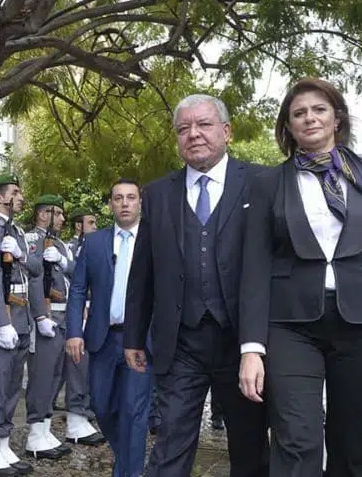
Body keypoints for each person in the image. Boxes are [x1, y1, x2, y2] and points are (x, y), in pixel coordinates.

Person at [237, 77, 362, 477]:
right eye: (299, 113)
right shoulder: (267, 184)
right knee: (296, 437)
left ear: (337, 118)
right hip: (290, 325)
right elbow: (255, 267)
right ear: (288, 126)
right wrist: (251, 347)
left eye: (319, 109)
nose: (309, 118)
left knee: (353, 443)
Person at [124, 94, 269, 477]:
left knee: (251, 447)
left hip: (242, 341)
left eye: (204, 124)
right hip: (181, 342)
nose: (193, 134)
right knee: (170, 442)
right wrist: (134, 335)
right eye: (183, 128)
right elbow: (143, 270)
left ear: (226, 131)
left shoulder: (261, 182)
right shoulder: (158, 194)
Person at [66, 179, 152, 477]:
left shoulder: (154, 240)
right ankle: (126, 461)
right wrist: (74, 331)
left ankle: (129, 472)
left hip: (140, 340)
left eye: (131, 197)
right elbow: (78, 289)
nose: (125, 203)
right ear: (110, 204)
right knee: (102, 407)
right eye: (118, 198)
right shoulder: (94, 243)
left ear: (140, 202)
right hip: (103, 339)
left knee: (134, 411)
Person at [0, 174, 43, 476]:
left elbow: (36, 268)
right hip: (0, 319)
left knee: (12, 386)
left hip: (21, 316)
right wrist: (2, 322)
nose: (21, 197)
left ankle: (2, 444)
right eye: (15, 192)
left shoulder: (18, 233)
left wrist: (20, 255)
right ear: (0, 197)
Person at [23, 195, 82, 458]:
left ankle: (45, 428)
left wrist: (62, 261)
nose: (61, 218)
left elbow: (77, 272)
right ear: (42, 214)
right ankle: (35, 432)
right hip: (46, 316)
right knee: (42, 374)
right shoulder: (31, 240)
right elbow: (32, 279)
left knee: (57, 374)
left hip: (64, 315)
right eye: (56, 213)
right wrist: (39, 315)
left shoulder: (61, 245)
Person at [60, 208, 103, 445]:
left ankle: (85, 412)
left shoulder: (94, 246)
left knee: (87, 366)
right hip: (74, 308)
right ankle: (76, 415)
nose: (95, 227)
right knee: (77, 365)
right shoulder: (69, 247)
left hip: (91, 307)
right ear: (79, 226)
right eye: (91, 222)